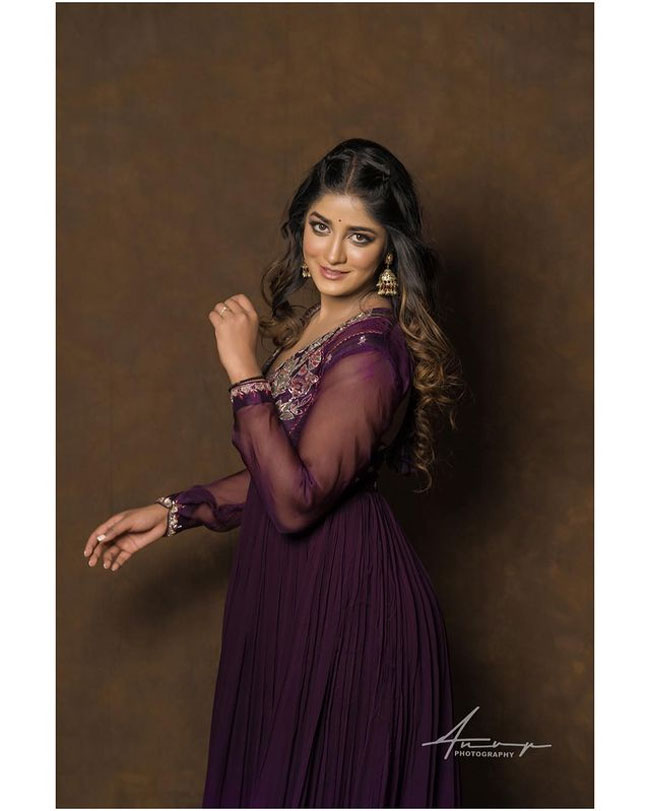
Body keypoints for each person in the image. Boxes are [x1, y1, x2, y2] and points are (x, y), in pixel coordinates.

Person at [83, 138, 466, 808]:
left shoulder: (371, 354)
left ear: (388, 250)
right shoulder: (321, 321)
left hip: (347, 604)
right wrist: (175, 511)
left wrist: (241, 368)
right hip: (287, 590)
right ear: (301, 225)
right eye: (321, 227)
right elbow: (281, 468)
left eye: (359, 236)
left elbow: (296, 499)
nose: (332, 253)